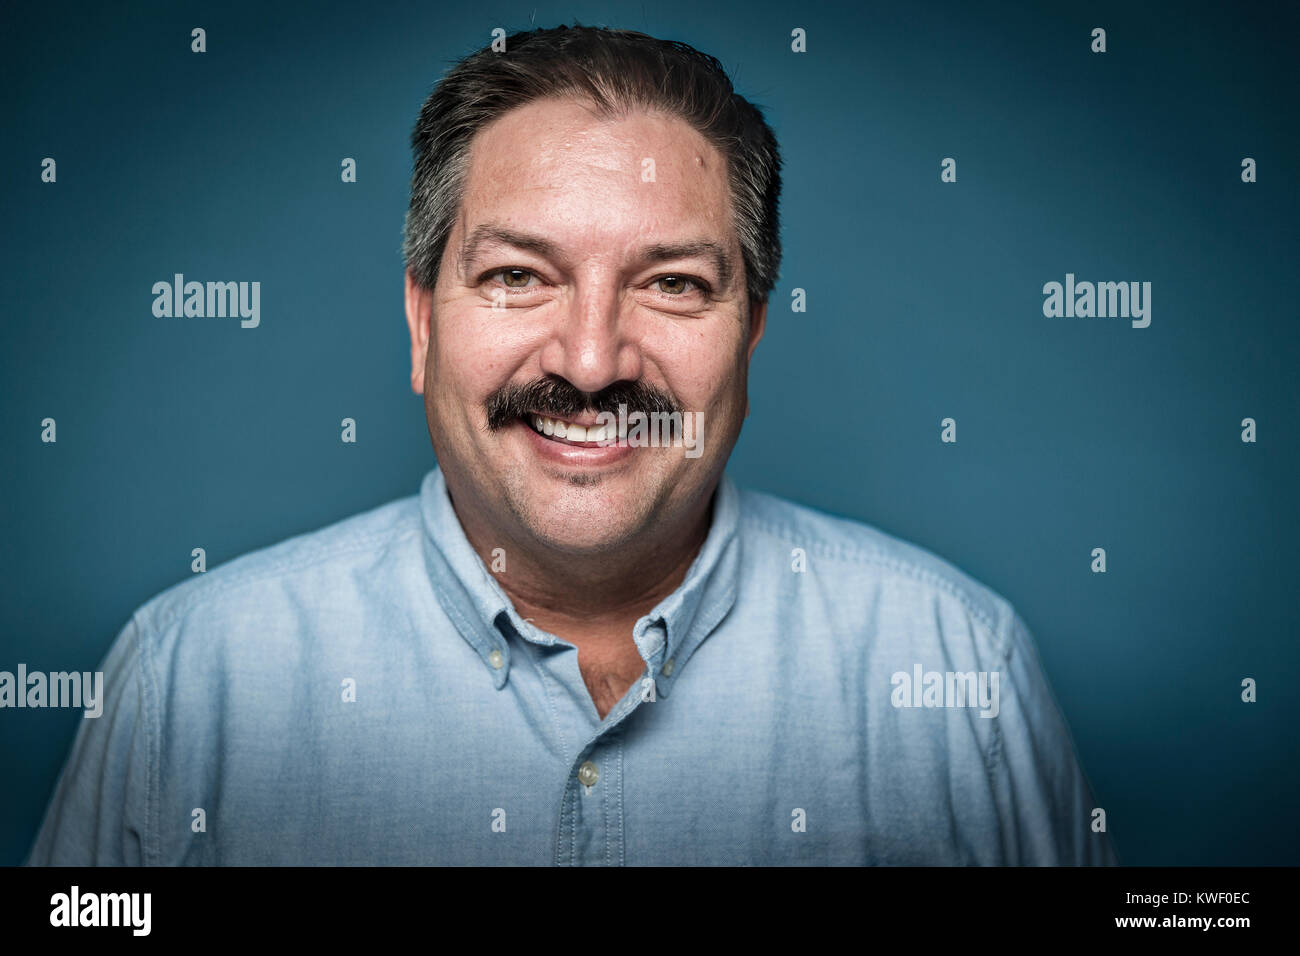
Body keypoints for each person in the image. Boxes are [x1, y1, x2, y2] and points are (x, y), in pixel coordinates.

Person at [27, 24, 1116, 865]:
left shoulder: (960, 672)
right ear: (421, 323)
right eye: (518, 275)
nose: (592, 362)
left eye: (672, 284)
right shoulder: (188, 686)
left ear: (750, 333)